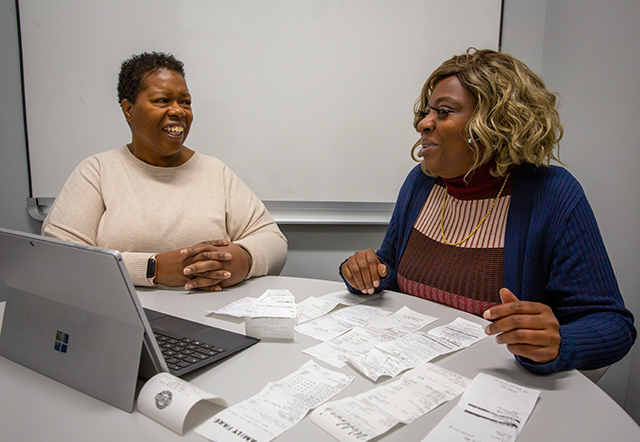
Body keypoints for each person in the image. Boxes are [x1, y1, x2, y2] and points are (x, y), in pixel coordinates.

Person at [340, 48, 636, 375]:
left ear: (495, 123)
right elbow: (393, 268)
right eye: (427, 112)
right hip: (408, 373)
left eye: (444, 112)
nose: (424, 123)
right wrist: (368, 272)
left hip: (495, 388)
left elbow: (613, 324)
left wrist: (561, 341)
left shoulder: (551, 195)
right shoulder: (421, 183)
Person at [42, 51, 287, 291]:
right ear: (129, 110)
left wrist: (243, 260)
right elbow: (61, 259)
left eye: (185, 102)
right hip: (126, 319)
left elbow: (273, 240)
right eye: (162, 100)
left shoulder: (215, 172)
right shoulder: (97, 172)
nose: (179, 111)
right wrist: (153, 269)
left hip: (208, 320)